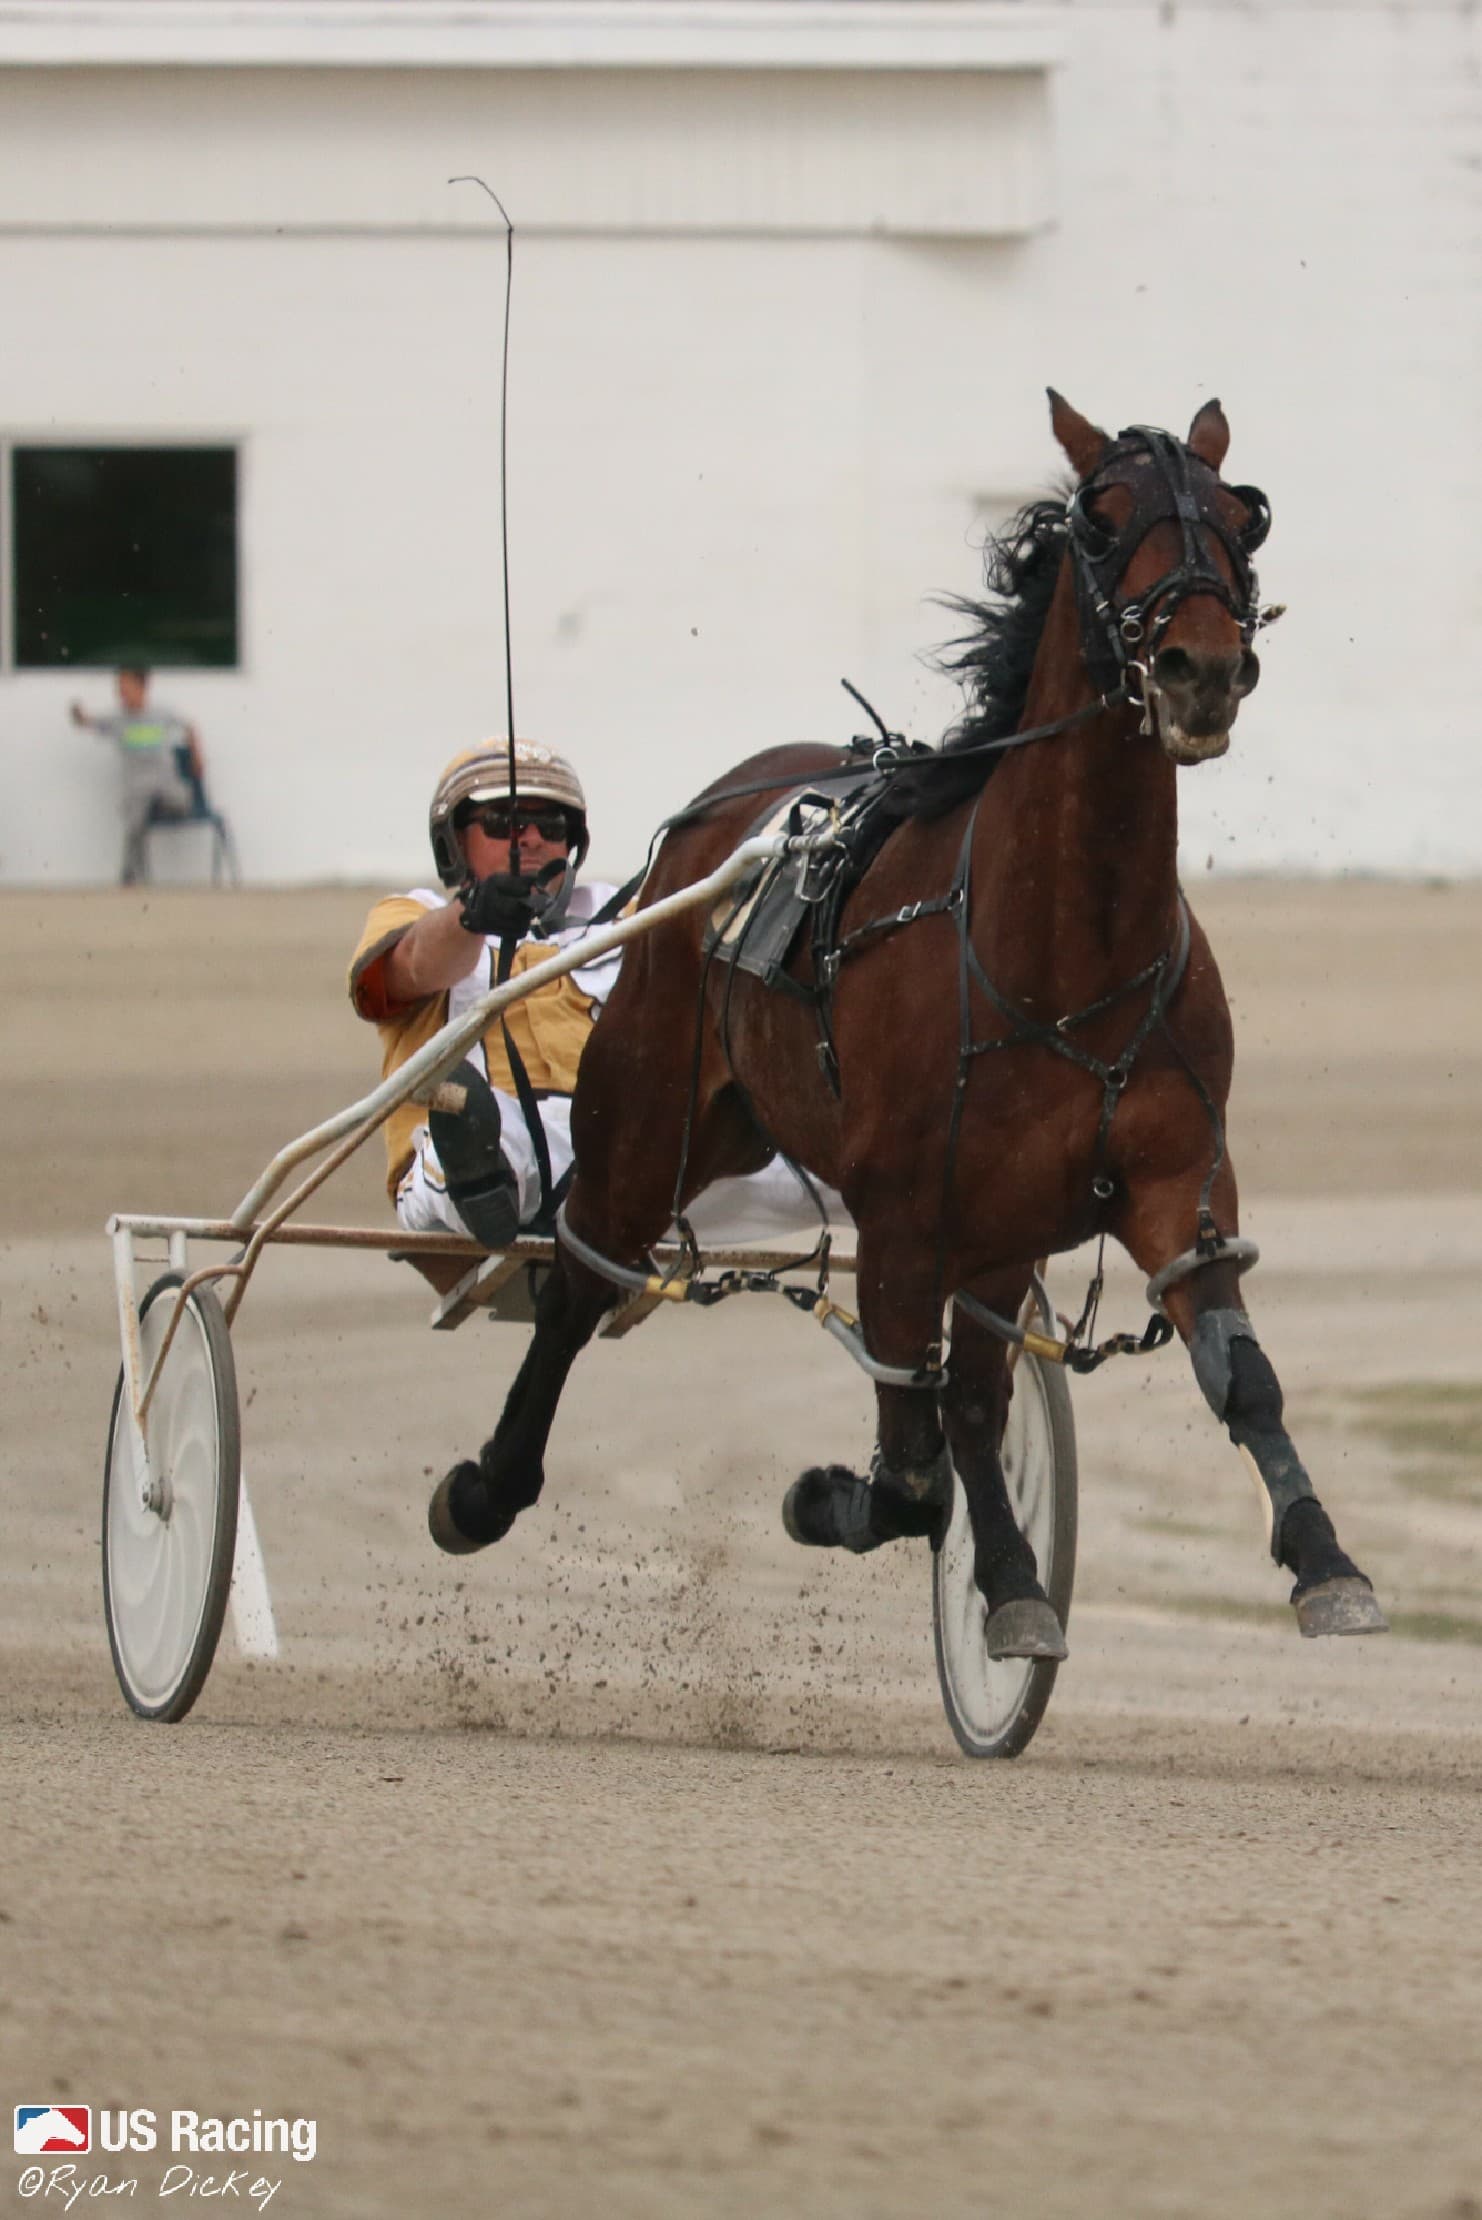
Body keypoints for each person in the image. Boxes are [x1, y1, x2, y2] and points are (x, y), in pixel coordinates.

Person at [349, 738, 841, 1252]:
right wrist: (474, 916)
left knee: (849, 1159)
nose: (533, 839)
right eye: (506, 824)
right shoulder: (416, 914)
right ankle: (486, 1187)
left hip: (635, 1154)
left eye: (553, 827)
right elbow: (409, 967)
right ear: (453, 843)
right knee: (478, 1128)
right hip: (481, 1143)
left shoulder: (634, 916)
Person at [70, 665, 199, 885]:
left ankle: (160, 808)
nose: (122, 694)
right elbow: (89, 722)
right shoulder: (117, 718)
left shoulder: (161, 713)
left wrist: (197, 755)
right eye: (119, 689)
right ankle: (130, 873)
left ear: (142, 687)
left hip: (164, 783)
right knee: (135, 819)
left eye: (126, 688)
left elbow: (189, 727)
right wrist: (79, 717)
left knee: (180, 799)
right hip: (137, 787)